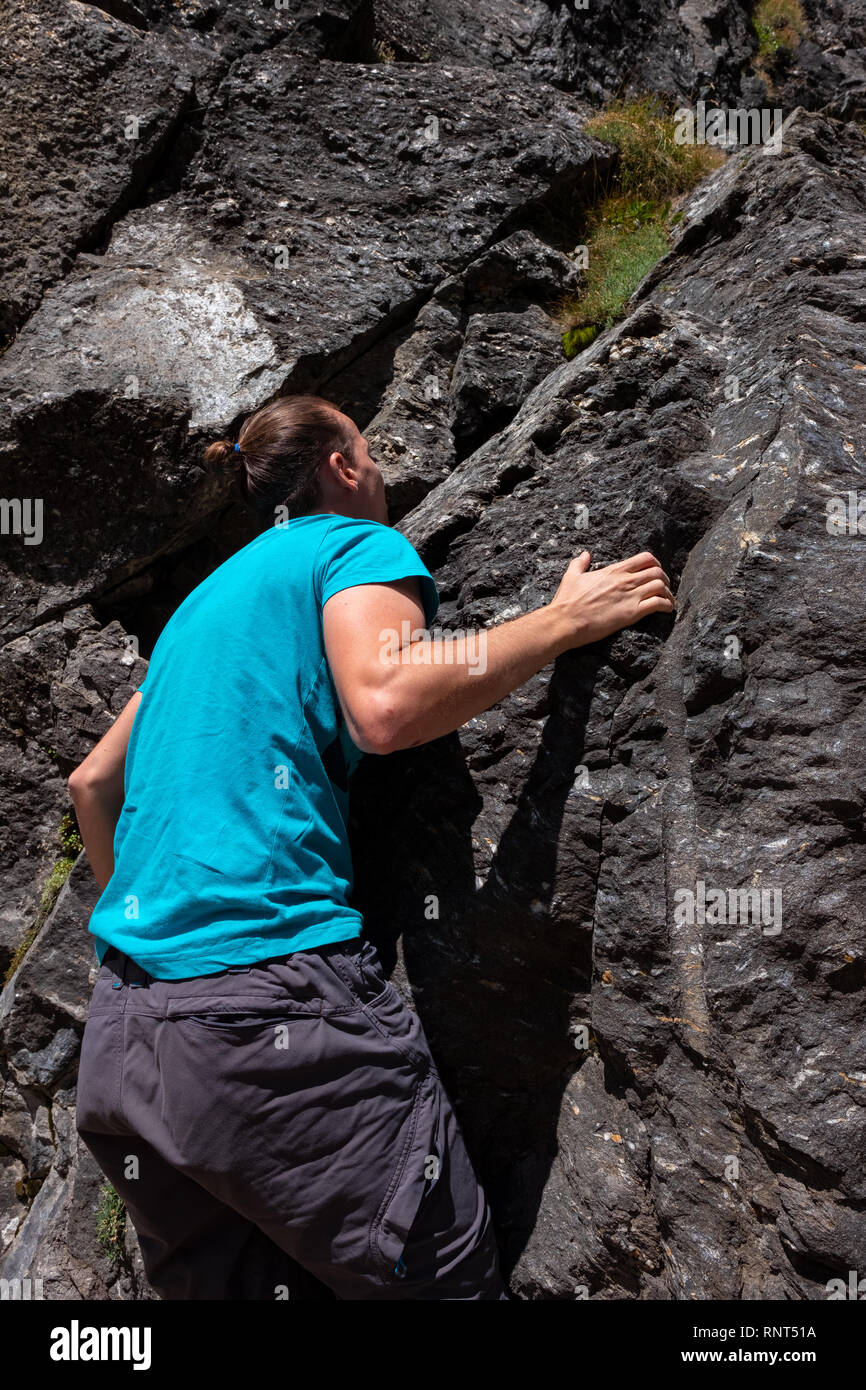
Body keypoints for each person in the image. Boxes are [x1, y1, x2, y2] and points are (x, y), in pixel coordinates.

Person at [70, 394, 676, 1300]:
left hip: (124, 1037)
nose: (381, 470)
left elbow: (91, 785)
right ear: (343, 467)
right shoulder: (349, 544)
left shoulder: (201, 609)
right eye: (372, 451)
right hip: (264, 1009)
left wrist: (162, 950)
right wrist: (564, 623)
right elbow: (385, 704)